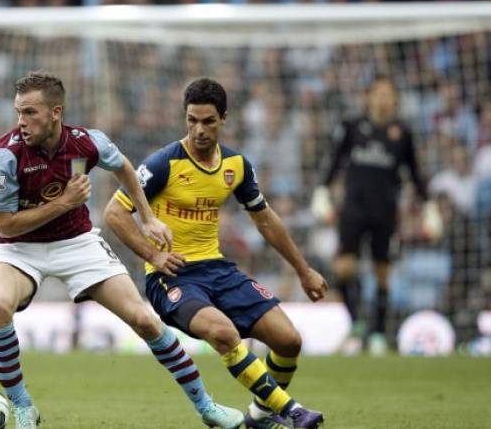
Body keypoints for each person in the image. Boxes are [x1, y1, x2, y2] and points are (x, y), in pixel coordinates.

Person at [0, 72, 244, 429]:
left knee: (145, 320)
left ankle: (206, 406)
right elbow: (8, 225)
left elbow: (123, 166)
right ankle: (23, 406)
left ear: (55, 112)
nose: (21, 122)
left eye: (30, 113)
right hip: (18, 248)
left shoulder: (86, 143)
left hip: (76, 243)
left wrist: (149, 217)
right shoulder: (3, 155)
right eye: (18, 112)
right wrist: (64, 203)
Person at [105, 77, 328, 429]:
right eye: (192, 120)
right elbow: (114, 214)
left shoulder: (236, 166)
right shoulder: (164, 163)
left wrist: (304, 270)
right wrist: (154, 255)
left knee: (288, 340)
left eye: (208, 121)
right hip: (172, 276)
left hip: (217, 269)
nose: (199, 130)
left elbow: (265, 220)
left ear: (224, 119)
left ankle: (259, 415)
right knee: (224, 334)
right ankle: (292, 411)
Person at [311, 75, 442, 355]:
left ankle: (379, 334)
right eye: (378, 93)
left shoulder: (402, 133)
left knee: (382, 272)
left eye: (388, 94)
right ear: (369, 97)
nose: (383, 99)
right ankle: (357, 322)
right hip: (353, 209)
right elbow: (334, 161)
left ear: (395, 100)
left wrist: (429, 207)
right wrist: (322, 190)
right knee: (344, 267)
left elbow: (415, 173)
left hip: (385, 211)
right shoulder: (352, 127)